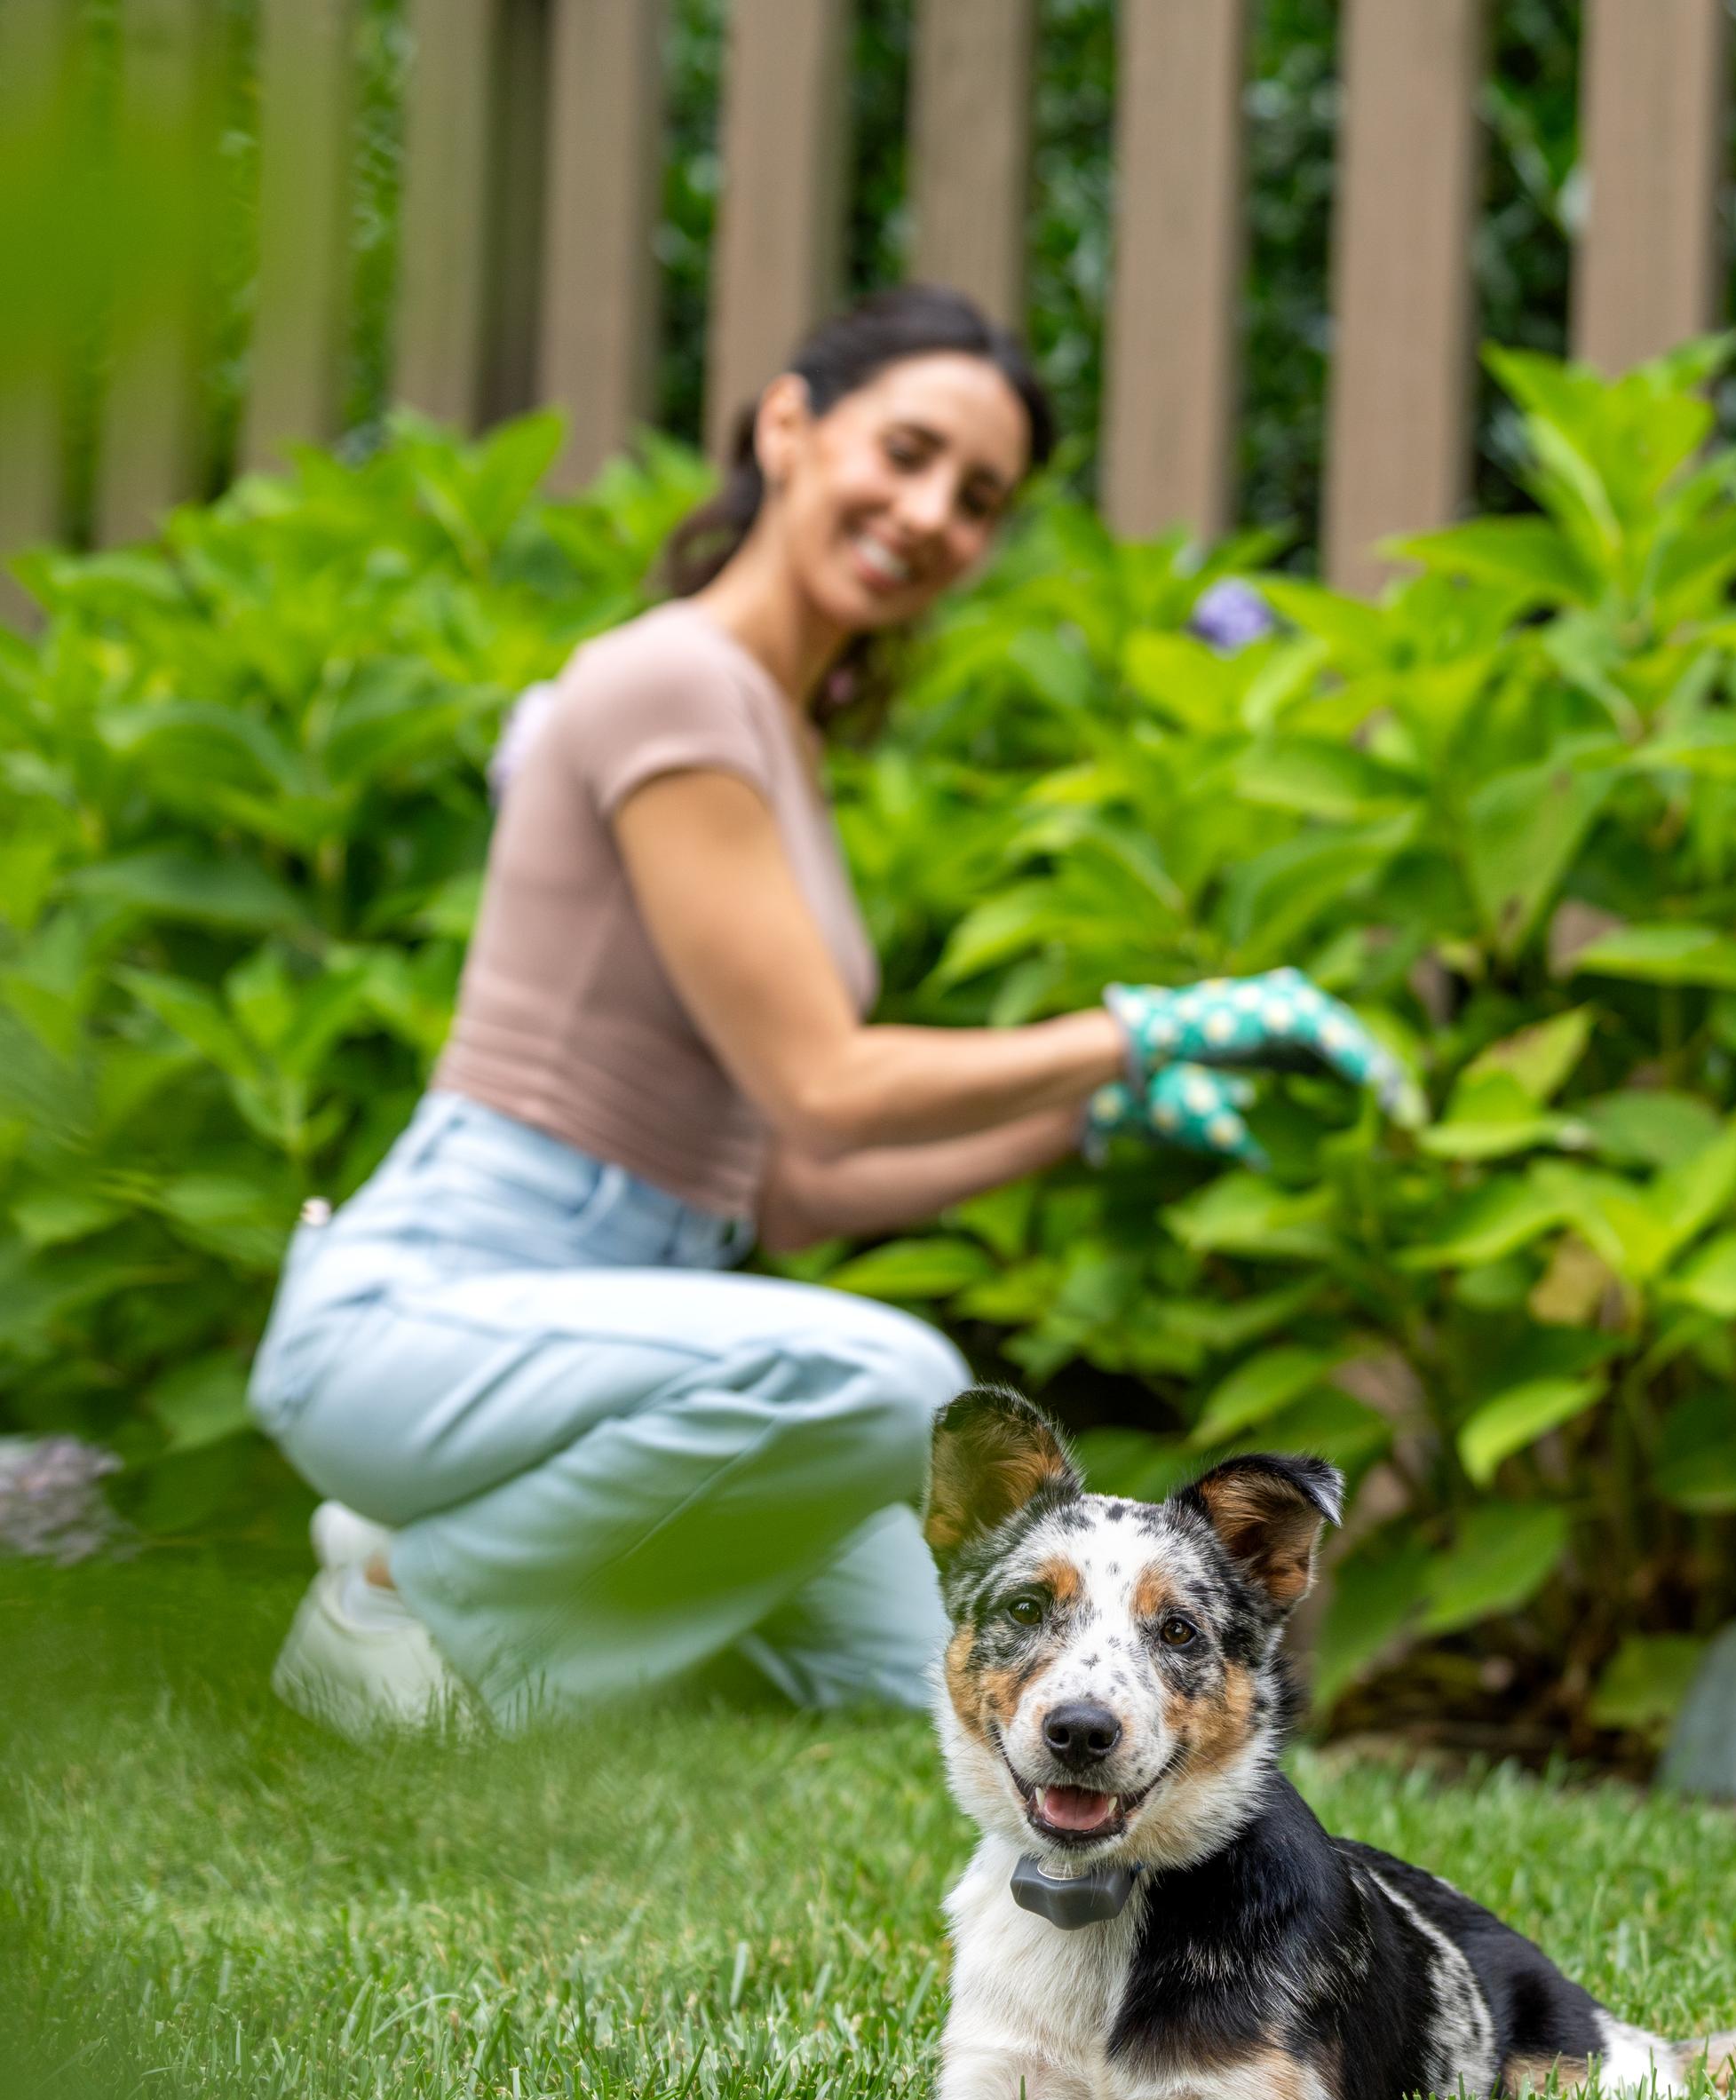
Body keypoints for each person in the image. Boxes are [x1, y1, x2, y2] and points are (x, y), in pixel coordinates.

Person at [247, 287, 1413, 1739]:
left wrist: (1090, 1120)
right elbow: (825, 1082)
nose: (932, 514)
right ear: (788, 425)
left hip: (632, 1342)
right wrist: (1149, 1026)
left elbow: (792, 1187)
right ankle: (400, 1594)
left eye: (978, 498)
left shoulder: (776, 733)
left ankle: (547, 1590)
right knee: (898, 1387)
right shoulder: (672, 678)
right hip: (430, 1320)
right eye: (908, 453)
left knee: (950, 1675)